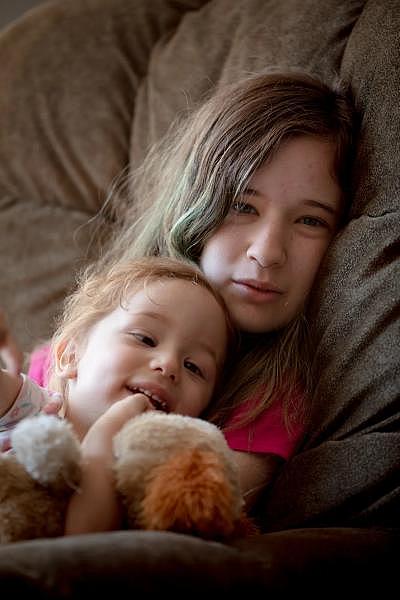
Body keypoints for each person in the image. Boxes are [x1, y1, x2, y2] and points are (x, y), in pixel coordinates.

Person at [0, 69, 356, 514]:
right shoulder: (86, 346)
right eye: (243, 206)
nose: (267, 253)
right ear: (194, 205)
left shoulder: (269, 401)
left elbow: (152, 529)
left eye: (310, 221)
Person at [0, 256, 235, 534]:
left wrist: (105, 435)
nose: (169, 365)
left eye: (194, 367)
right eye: (145, 339)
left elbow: (80, 544)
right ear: (70, 356)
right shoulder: (30, 408)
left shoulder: (149, 483)